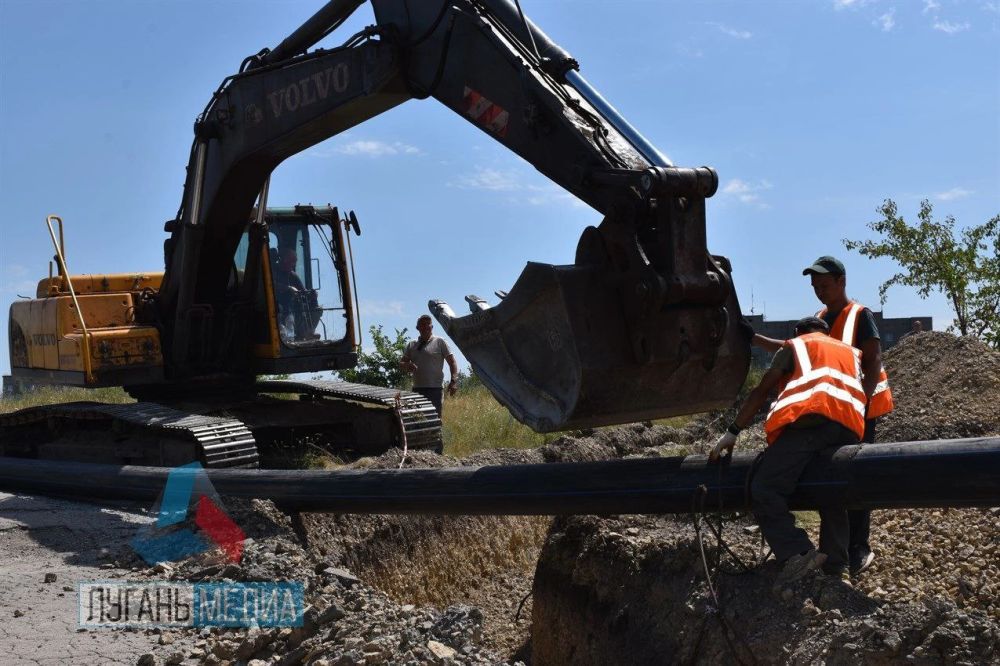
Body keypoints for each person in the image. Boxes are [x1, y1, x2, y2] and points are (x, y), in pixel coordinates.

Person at [752, 255, 893, 576]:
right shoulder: (819, 318)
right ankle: (835, 557)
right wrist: (757, 340)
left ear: (842, 282)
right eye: (815, 287)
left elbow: (873, 360)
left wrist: (860, 402)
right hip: (833, 408)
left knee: (851, 475)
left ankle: (858, 547)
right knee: (830, 474)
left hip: (859, 407)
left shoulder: (860, 315)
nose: (819, 292)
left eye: (825, 286)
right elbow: (797, 348)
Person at [712, 316, 866, 583]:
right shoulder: (847, 351)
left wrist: (733, 431)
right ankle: (835, 568)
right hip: (849, 427)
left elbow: (762, 390)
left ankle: (798, 553)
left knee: (765, 487)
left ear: (797, 333)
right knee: (833, 488)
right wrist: (756, 338)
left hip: (811, 422)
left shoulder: (795, 346)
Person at [400, 314, 459, 416]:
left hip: (435, 390)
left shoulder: (440, 342)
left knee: (435, 418)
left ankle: (436, 432)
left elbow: (452, 362)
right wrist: (407, 365)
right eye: (422, 324)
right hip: (417, 389)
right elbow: (401, 363)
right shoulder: (412, 345)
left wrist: (453, 381)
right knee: (417, 419)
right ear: (417, 328)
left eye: (428, 324)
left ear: (432, 327)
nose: (426, 326)